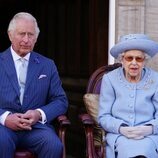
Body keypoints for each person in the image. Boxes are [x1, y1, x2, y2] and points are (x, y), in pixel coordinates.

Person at [0, 12, 68, 158]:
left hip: (35, 127)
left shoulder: (47, 65)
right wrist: (5, 118)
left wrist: (39, 114)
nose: (26, 39)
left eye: (30, 35)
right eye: (21, 34)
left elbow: (60, 100)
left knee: (54, 145)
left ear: (36, 38)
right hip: (3, 126)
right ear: (10, 35)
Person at [98, 34, 158, 158]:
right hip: (120, 136)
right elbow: (104, 116)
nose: (134, 63)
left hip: (148, 137)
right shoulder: (109, 79)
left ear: (145, 60)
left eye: (139, 59)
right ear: (122, 60)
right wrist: (121, 129)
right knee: (126, 148)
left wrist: (149, 129)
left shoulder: (156, 79)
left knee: (146, 149)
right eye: (129, 58)